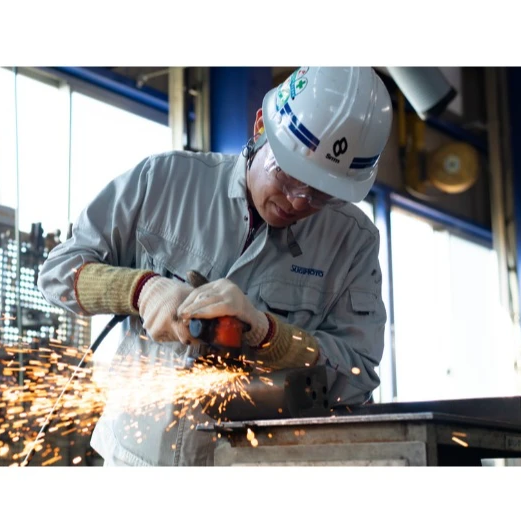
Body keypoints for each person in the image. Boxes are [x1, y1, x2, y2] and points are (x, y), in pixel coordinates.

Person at [37, 66, 393, 466]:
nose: (298, 201)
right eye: (288, 175)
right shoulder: (164, 181)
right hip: (132, 463)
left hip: (252, 471)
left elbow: (357, 376)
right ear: (261, 128)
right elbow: (58, 274)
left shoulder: (351, 242)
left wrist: (269, 335)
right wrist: (141, 290)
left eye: (320, 194)